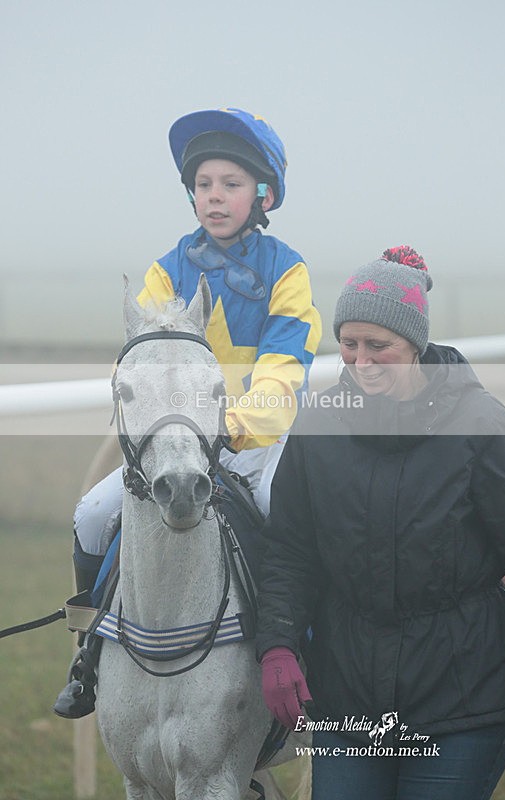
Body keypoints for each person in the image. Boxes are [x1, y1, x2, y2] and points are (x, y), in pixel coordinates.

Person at [54, 106, 322, 719]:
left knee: (293, 516)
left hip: (256, 445)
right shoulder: (163, 272)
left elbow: (283, 373)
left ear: (264, 195)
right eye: (204, 185)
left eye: (231, 184)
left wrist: (230, 426)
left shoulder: (289, 271)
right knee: (94, 515)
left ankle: (313, 655)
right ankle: (90, 655)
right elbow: (143, 370)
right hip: (176, 444)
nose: (215, 197)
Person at [256, 245, 505, 800]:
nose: (361, 360)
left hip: (464, 695)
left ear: (415, 344)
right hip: (348, 694)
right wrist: (278, 645)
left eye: (378, 346)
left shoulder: (477, 423)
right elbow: (290, 549)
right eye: (349, 344)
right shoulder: (318, 427)